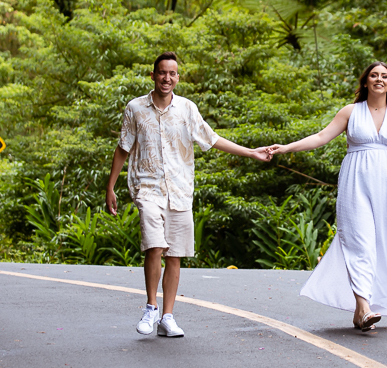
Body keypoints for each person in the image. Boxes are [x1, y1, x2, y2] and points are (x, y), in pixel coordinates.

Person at [107, 51, 271, 338]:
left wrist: (250, 152)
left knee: (175, 254)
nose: (166, 78)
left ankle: (167, 317)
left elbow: (212, 139)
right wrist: (110, 187)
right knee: (154, 246)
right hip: (147, 188)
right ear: (153, 75)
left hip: (180, 191)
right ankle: (151, 308)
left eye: (172, 74)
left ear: (178, 78)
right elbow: (123, 147)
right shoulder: (135, 108)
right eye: (162, 72)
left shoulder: (187, 109)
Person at [267, 62, 387, 331]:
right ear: (366, 81)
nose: (379, 79)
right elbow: (321, 136)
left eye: (384, 76)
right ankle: (365, 306)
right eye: (374, 75)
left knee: (384, 244)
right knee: (360, 241)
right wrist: (286, 148)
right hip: (355, 181)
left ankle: (360, 313)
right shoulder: (350, 111)